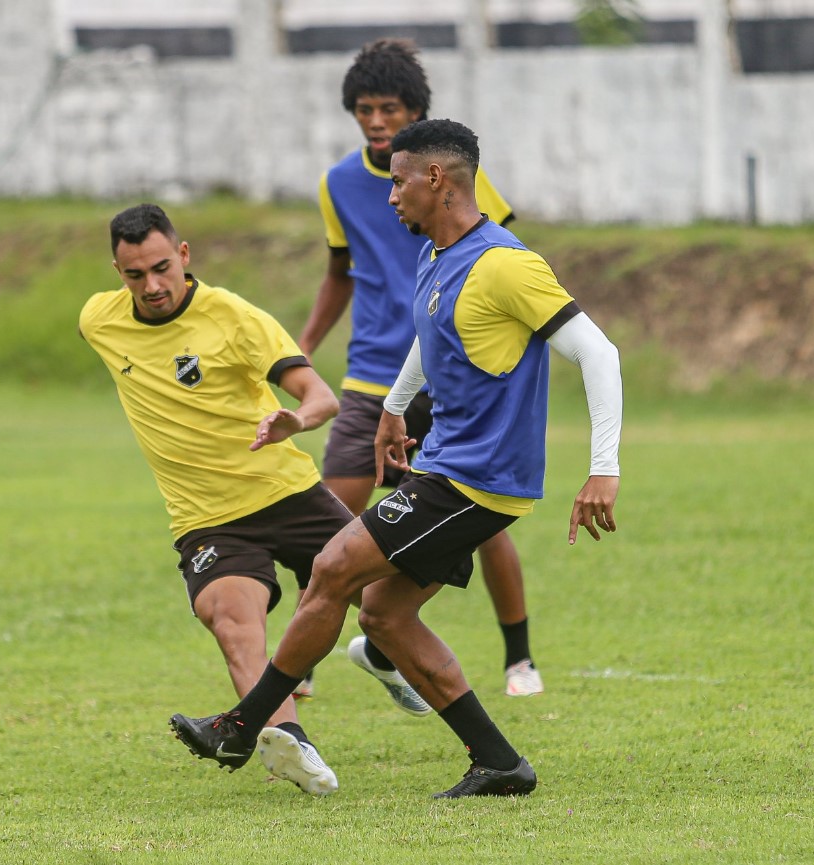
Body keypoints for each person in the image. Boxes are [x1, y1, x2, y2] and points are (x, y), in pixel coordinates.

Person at [171, 119, 623, 798]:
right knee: (381, 614)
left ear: (436, 179)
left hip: (477, 479)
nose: (390, 197)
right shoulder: (437, 255)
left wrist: (602, 467)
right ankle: (499, 762)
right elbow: (428, 333)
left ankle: (243, 720)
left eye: (398, 180)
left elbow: (598, 351)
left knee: (331, 565)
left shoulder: (505, 263)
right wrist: (391, 407)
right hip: (447, 464)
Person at [296, 38, 543, 701]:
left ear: (414, 112)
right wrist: (302, 345)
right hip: (369, 379)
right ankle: (315, 657)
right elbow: (337, 271)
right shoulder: (337, 184)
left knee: (478, 515)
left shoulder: (444, 173)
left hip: (448, 376)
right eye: (364, 110)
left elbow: (497, 253)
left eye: (389, 109)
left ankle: (518, 657)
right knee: (329, 520)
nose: (376, 121)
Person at [80, 203, 350, 797]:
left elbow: (321, 397)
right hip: (208, 519)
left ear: (183, 255)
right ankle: (293, 746)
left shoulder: (234, 317)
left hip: (288, 492)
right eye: (133, 275)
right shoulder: (99, 319)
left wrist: (294, 420)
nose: (150, 286)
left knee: (388, 597)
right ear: (116, 273)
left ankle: (389, 659)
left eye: (160, 268)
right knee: (232, 621)